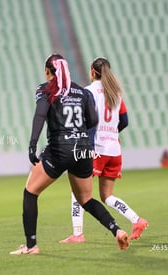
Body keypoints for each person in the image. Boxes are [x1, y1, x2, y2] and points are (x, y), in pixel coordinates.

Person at [10, 54, 129, 255]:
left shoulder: (46, 89)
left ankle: (31, 246)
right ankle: (116, 230)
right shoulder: (82, 92)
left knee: (30, 192)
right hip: (83, 150)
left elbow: (40, 114)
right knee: (87, 200)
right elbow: (92, 120)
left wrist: (32, 145)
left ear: (48, 71)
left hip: (60, 148)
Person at [59, 57, 148, 244]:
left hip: (96, 150)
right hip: (114, 150)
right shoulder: (116, 93)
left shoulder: (87, 92)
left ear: (92, 72)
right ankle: (136, 220)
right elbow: (124, 121)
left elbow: (84, 120)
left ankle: (77, 234)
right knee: (107, 196)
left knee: (78, 192)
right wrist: (113, 133)